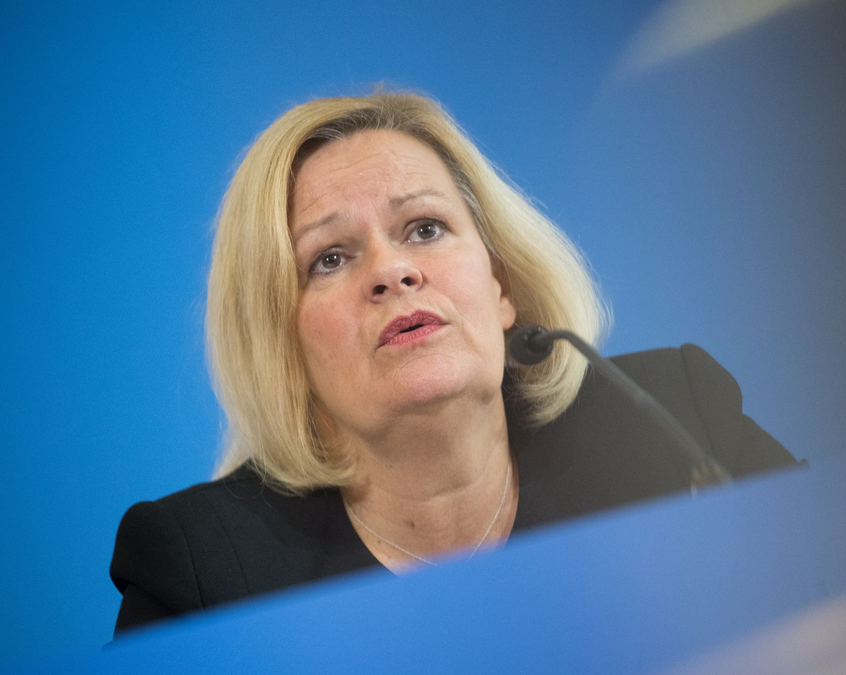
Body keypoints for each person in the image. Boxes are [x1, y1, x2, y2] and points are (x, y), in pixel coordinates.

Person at [109, 91, 796, 635]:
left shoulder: (678, 424)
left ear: (501, 284)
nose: (393, 269)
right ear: (282, 347)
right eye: (330, 258)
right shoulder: (205, 578)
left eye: (425, 228)